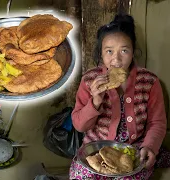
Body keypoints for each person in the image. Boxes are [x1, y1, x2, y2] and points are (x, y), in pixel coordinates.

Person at [69, 14, 169, 179]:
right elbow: (80, 126)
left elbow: (157, 123)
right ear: (100, 53)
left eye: (124, 50)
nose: (116, 59)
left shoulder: (149, 81)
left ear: (133, 51)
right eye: (109, 51)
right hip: (95, 150)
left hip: (132, 151)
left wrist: (149, 147)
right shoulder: (89, 80)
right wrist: (95, 101)